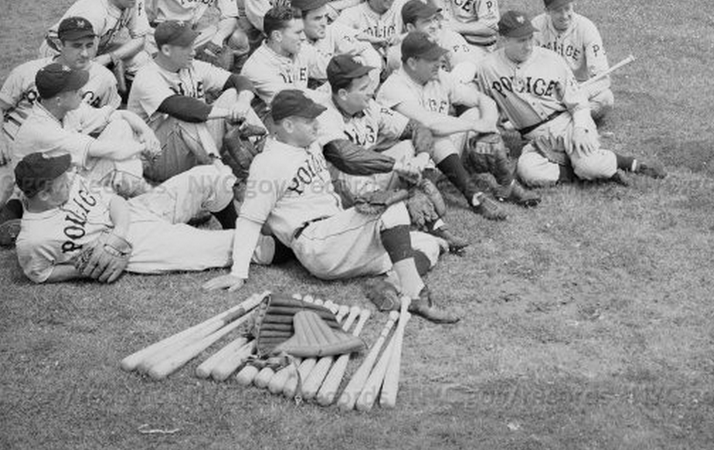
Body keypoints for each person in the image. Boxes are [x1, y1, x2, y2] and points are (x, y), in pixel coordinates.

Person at [202, 89, 459, 324]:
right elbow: (250, 220)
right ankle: (417, 295)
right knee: (391, 209)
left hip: (339, 236)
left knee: (429, 243)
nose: (316, 123)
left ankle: (388, 285)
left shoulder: (309, 143)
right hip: (317, 243)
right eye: (309, 120)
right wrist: (238, 272)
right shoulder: (268, 163)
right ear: (288, 125)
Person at [13, 151, 273, 284]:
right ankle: (288, 244)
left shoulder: (67, 181)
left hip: (133, 212)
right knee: (231, 244)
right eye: (60, 181)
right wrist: (82, 269)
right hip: (139, 247)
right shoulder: (33, 240)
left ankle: (234, 220)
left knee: (208, 175)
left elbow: (114, 201)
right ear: (44, 194)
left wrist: (118, 233)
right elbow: (42, 273)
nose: (67, 177)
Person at [476, 10, 666, 188]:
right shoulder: (487, 68)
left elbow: (579, 103)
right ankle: (577, 168)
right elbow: (484, 104)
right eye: (520, 40)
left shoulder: (550, 59)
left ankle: (628, 163)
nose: (528, 45)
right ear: (504, 40)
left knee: (591, 167)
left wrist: (581, 129)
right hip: (533, 138)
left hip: (567, 123)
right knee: (529, 173)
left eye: (530, 38)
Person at [315, 54, 465, 250]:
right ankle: (405, 210)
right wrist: (397, 167)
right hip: (335, 187)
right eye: (363, 89)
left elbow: (417, 128)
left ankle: (427, 218)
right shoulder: (325, 114)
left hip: (367, 175)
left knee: (407, 148)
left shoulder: (369, 107)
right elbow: (345, 157)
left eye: (369, 85)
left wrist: (422, 157)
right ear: (343, 94)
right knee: (353, 176)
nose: (371, 92)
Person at [379, 31, 538, 216]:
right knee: (435, 134)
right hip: (407, 162)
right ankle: (473, 194)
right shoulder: (394, 87)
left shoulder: (439, 76)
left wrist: (486, 123)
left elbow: (482, 99)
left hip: (438, 155)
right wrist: (474, 126)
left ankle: (506, 184)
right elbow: (428, 123)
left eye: (439, 57)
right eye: (432, 59)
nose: (439, 62)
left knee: (473, 112)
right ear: (412, 63)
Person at [0, 17, 120, 216]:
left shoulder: (104, 78)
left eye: (89, 45)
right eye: (76, 46)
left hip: (58, 148)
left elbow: (109, 117)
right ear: (59, 44)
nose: (84, 53)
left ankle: (17, 210)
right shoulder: (28, 71)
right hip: (12, 143)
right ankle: (14, 207)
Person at [127, 19, 264, 182]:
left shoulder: (192, 66)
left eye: (192, 45)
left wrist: (243, 103)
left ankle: (267, 153)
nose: (193, 52)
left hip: (194, 144)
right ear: (166, 49)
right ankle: (220, 173)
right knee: (184, 118)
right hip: (155, 158)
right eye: (186, 47)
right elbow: (185, 109)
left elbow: (239, 80)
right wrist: (229, 114)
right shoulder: (147, 76)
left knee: (233, 95)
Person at [13, 62, 159, 198]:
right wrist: (145, 147)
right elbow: (107, 151)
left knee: (120, 125)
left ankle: (138, 193)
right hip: (44, 196)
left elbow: (122, 114)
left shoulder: (64, 108)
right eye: (76, 90)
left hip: (65, 177)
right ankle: (147, 198)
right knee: (116, 161)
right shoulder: (42, 130)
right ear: (58, 100)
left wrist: (147, 132)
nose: (82, 92)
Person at [38, 0, 152, 94]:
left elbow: (140, 40)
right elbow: (83, 54)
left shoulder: (131, 0)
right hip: (61, 51)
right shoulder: (94, 12)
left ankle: (126, 98)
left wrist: (111, 57)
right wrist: (103, 67)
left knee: (141, 59)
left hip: (94, 48)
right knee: (79, 86)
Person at [532, 0, 614, 123]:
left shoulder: (586, 28)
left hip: (580, 88)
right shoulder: (536, 27)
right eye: (558, 10)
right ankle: (569, 118)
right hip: (547, 90)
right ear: (547, 11)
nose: (564, 15)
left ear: (573, 5)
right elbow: (526, 69)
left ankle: (556, 119)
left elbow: (603, 78)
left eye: (567, 8)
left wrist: (578, 93)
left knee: (606, 99)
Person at [240, 5, 329, 112]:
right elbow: (294, 101)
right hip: (278, 122)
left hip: (304, 114)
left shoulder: (301, 49)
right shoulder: (257, 67)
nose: (303, 37)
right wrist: (330, 95)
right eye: (298, 33)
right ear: (277, 36)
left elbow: (334, 71)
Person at [293, 0, 382, 91]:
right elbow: (323, 70)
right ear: (298, 20)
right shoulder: (294, 44)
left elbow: (365, 47)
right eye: (317, 18)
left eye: (325, 16)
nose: (324, 23)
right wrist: (356, 62)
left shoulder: (331, 29)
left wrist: (372, 73)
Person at [385, 0, 481, 85]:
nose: (434, 25)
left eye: (434, 19)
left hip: (451, 91)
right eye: (426, 22)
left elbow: (466, 67)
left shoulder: (448, 37)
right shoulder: (398, 53)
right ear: (410, 28)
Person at [336, 0, 406, 62]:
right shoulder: (352, 14)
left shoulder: (402, 7)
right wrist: (364, 44)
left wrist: (402, 38)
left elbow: (423, 30)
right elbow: (335, 37)